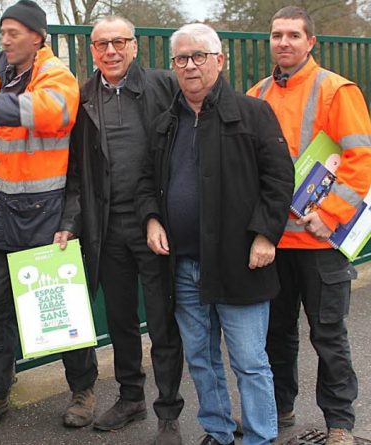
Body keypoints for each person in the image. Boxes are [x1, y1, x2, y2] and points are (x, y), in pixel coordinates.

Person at [135, 23, 294, 445]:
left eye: (199, 56)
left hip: (240, 262)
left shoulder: (253, 114)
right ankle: (218, 432)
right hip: (184, 267)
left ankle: (260, 437)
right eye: (181, 58)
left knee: (249, 361)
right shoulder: (165, 123)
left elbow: (279, 180)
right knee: (202, 360)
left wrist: (266, 236)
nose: (190, 65)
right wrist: (152, 219)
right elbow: (147, 180)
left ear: (219, 60)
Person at [0, 0, 97, 434]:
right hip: (3, 212)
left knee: (61, 311)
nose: (5, 40)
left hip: (46, 214)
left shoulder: (57, 76)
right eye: (2, 33)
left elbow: (48, 112)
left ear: (37, 37)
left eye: (14, 33)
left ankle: (83, 392)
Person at [54, 16, 184, 444]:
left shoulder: (164, 86)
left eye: (119, 42)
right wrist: (70, 223)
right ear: (92, 51)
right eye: (101, 44)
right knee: (120, 318)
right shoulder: (83, 97)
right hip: (106, 228)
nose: (110, 51)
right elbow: (76, 173)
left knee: (162, 320)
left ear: (134, 45)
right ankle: (131, 398)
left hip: (156, 224)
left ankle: (168, 413)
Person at [247, 7, 371, 445]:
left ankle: (339, 424)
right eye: (277, 35)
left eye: (293, 35)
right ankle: (278, 409)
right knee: (276, 334)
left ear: (310, 41)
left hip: (321, 243)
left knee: (328, 336)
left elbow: (361, 158)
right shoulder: (257, 93)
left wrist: (330, 213)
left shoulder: (336, 90)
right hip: (275, 242)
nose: (284, 42)